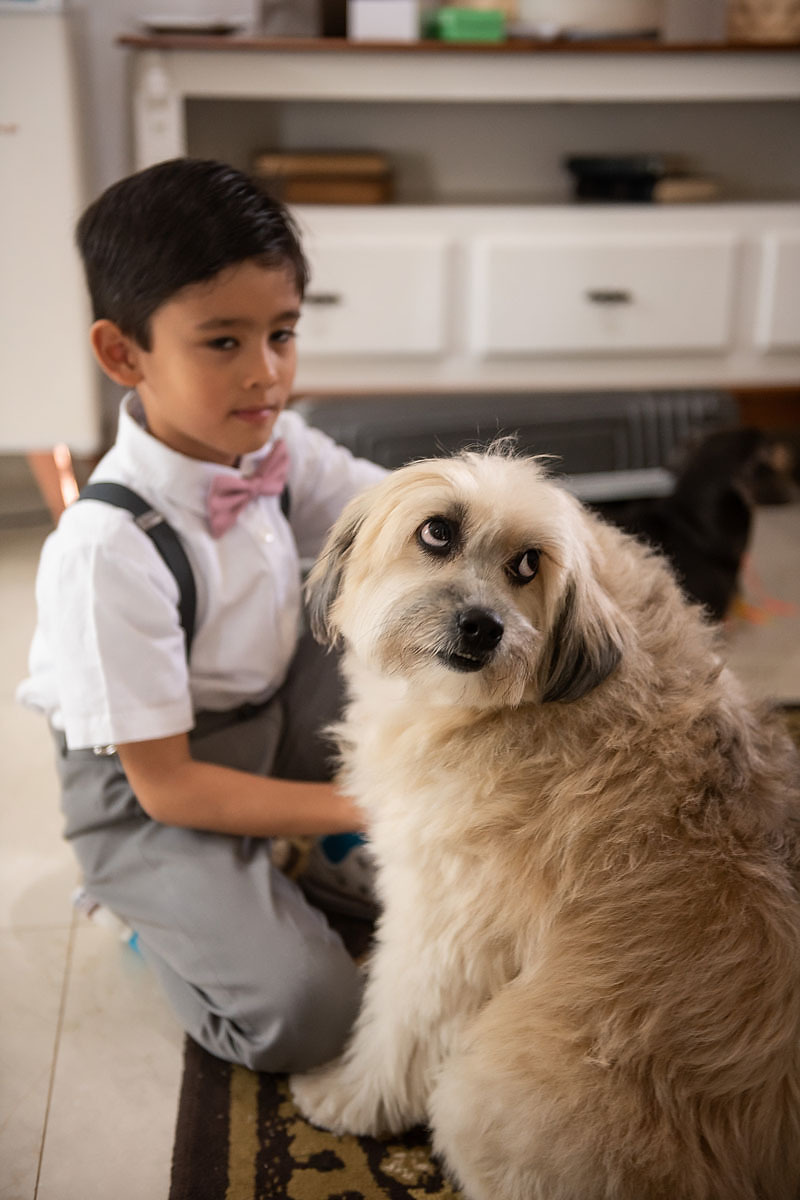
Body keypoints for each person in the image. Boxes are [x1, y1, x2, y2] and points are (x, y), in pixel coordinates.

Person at [17, 158, 387, 1072]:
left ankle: (299, 851)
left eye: (283, 333)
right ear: (123, 353)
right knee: (311, 1014)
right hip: (153, 796)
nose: (267, 375)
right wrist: (376, 804)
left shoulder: (279, 445)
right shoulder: (107, 546)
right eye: (223, 342)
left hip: (270, 717)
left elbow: (404, 525)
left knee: (414, 604)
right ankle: (152, 910)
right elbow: (169, 787)